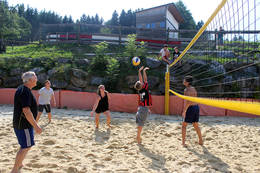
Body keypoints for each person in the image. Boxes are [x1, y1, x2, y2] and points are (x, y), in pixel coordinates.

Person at [11, 71, 42, 173]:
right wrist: (36, 126)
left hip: (22, 124)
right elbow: (26, 111)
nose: (36, 79)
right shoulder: (25, 91)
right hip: (23, 125)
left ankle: (19, 164)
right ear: (29, 80)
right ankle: (15, 169)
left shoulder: (23, 89)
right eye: (35, 77)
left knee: (26, 145)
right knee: (26, 146)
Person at [182, 75, 203, 147]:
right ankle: (200, 140)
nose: (183, 81)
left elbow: (188, 102)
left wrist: (184, 111)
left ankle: (183, 143)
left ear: (187, 82)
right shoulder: (194, 89)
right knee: (195, 125)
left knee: (184, 125)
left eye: (184, 80)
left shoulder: (186, 90)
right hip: (196, 107)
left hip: (190, 108)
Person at [134, 66, 152, 144]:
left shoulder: (141, 89)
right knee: (141, 125)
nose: (142, 82)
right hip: (143, 109)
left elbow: (143, 79)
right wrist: (140, 71)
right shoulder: (143, 88)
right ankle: (138, 137)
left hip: (141, 108)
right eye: (140, 82)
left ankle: (138, 136)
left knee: (140, 124)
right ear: (141, 85)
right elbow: (143, 79)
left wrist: (142, 71)